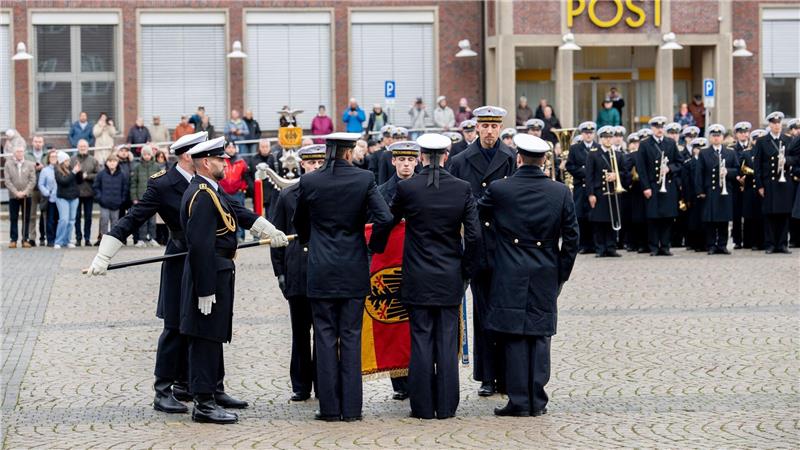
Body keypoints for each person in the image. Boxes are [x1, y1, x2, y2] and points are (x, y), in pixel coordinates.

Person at [179, 136, 289, 424]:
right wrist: (204, 289)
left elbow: (237, 212)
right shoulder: (202, 195)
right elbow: (200, 245)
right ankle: (203, 403)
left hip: (219, 270)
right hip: (209, 274)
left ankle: (214, 390)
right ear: (206, 162)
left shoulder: (212, 190)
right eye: (220, 160)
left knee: (215, 334)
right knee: (205, 337)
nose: (225, 164)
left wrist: (265, 228)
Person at [371, 133, 479, 420]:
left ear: (420, 157)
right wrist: (466, 270)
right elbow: (475, 235)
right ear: (446, 155)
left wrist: (376, 249)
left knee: (419, 341)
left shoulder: (408, 189)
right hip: (449, 277)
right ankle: (445, 407)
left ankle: (421, 407)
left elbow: (386, 221)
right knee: (445, 341)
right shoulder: (462, 188)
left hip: (417, 276)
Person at [292, 132, 393, 422]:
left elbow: (299, 222)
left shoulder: (310, 181)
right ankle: (352, 409)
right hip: (353, 265)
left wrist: (313, 238)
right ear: (349, 152)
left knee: (324, 337)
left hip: (321, 266)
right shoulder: (364, 179)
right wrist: (373, 248)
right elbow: (385, 218)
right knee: (350, 336)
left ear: (327, 152)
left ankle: (329, 408)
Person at [478, 133, 578, 417]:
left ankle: (519, 400)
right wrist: (562, 273)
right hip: (546, 268)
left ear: (518, 159)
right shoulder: (560, 192)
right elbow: (572, 238)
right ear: (545, 160)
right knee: (540, 335)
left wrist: (493, 248)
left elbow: (476, 215)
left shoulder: (500, 189)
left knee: (514, 336)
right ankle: (537, 399)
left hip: (509, 269)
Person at [448, 106, 516, 397]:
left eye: (494, 126)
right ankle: (487, 376)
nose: (489, 132)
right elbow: (452, 200)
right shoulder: (461, 160)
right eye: (484, 126)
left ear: (500, 128)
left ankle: (506, 373)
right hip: (477, 244)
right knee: (484, 311)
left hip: (504, 245)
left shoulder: (512, 157)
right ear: (476, 128)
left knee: (506, 310)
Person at [270, 144, 326, 402]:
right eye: (310, 163)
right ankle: (301, 385)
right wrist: (280, 272)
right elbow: (276, 236)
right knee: (300, 333)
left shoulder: (330, 194)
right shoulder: (287, 195)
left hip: (324, 270)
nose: (315, 167)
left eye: (319, 163)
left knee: (325, 333)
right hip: (297, 272)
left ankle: (325, 382)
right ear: (302, 164)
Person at [636, 116, 683, 256]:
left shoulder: (670, 143)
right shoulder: (645, 144)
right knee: (653, 218)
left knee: (667, 218)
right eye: (657, 127)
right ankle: (654, 247)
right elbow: (641, 167)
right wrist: (645, 187)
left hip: (668, 186)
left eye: (661, 127)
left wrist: (669, 168)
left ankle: (665, 246)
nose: (659, 130)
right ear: (652, 129)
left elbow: (679, 163)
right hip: (652, 185)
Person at [693, 124, 739, 255]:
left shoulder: (730, 152)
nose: (716, 138)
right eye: (714, 136)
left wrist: (727, 171)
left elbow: (737, 170)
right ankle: (712, 245)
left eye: (718, 136)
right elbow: (699, 173)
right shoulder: (704, 153)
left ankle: (723, 245)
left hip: (725, 190)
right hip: (710, 190)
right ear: (710, 137)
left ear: (722, 137)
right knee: (711, 220)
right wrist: (700, 190)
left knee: (723, 220)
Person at [754, 111, 795, 254]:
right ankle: (770, 244)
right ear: (770, 125)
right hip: (769, 183)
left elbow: (796, 159)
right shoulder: (761, 141)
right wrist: (759, 185)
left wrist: (787, 161)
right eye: (774, 123)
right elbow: (757, 166)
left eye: (779, 123)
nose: (777, 125)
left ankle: (783, 244)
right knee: (770, 214)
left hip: (784, 183)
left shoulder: (788, 140)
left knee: (784, 214)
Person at [586, 126, 629, 257]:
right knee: (599, 221)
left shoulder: (618, 154)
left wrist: (617, 176)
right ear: (601, 139)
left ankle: (611, 247)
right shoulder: (593, 154)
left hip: (614, 191)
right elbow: (589, 176)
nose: (608, 140)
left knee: (612, 220)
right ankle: (600, 248)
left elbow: (625, 172)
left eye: (610, 137)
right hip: (599, 192)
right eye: (605, 137)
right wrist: (591, 194)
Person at [566, 121, 599, 254]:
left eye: (591, 133)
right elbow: (570, 166)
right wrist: (586, 173)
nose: (588, 135)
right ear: (582, 134)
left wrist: (590, 173)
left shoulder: (598, 147)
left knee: (594, 216)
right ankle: (584, 245)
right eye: (586, 133)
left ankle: (595, 244)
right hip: (581, 186)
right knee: (581, 216)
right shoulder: (575, 149)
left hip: (594, 187)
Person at [4, 145, 36, 248]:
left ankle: (24, 239)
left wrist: (25, 192)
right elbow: (7, 181)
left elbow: (32, 180)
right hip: (14, 196)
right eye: (17, 152)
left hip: (27, 196)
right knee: (14, 218)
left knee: (26, 217)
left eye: (21, 152)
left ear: (24, 153)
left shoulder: (30, 164)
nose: (19, 154)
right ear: (14, 153)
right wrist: (16, 192)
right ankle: (13, 240)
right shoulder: (8, 164)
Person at [130, 145, 162, 246]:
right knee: (142, 220)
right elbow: (133, 183)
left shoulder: (156, 166)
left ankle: (152, 238)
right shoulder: (137, 167)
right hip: (141, 197)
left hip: (153, 197)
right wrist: (134, 197)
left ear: (151, 155)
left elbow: (160, 182)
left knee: (152, 221)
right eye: (144, 154)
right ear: (142, 155)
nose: (146, 156)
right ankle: (141, 239)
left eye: (148, 154)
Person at [219, 141, 251, 241]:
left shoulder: (242, 162)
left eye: (233, 147)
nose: (231, 149)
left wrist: (244, 188)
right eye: (229, 147)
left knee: (240, 214)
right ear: (225, 149)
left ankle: (240, 236)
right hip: (224, 193)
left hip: (238, 193)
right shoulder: (221, 161)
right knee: (226, 216)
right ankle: (230, 236)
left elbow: (246, 177)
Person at [93, 154, 129, 240]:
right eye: (110, 161)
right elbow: (96, 187)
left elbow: (125, 188)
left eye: (114, 161)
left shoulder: (122, 174)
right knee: (104, 221)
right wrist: (99, 198)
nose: (112, 163)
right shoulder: (101, 174)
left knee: (115, 222)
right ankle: (103, 239)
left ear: (117, 163)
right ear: (106, 163)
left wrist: (121, 200)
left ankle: (112, 240)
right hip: (104, 203)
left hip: (116, 203)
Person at [71, 139, 99, 247]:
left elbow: (98, 175)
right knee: (76, 217)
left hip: (89, 193)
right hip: (75, 193)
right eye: (80, 146)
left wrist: (88, 176)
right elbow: (68, 174)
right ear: (77, 147)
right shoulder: (72, 159)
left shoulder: (93, 160)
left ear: (88, 147)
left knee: (88, 217)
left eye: (84, 146)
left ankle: (87, 239)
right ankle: (78, 238)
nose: (82, 148)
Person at [54, 151, 82, 248]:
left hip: (74, 197)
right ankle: (58, 241)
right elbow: (64, 181)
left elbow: (79, 181)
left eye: (68, 160)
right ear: (62, 161)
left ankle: (67, 241)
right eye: (66, 160)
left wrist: (79, 171)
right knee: (64, 220)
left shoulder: (71, 169)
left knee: (71, 220)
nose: (68, 162)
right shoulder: (57, 170)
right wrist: (74, 172)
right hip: (62, 198)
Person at [25, 135, 48, 246]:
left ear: (43, 143)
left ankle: (44, 237)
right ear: (32, 143)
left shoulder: (47, 154)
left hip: (44, 189)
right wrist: (33, 167)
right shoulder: (27, 155)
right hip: (32, 189)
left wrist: (44, 167)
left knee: (45, 214)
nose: (38, 143)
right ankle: (32, 238)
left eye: (40, 141)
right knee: (32, 215)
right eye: (36, 141)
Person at [38, 150, 60, 247]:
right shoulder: (45, 170)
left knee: (59, 220)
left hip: (60, 199)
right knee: (50, 220)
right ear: (48, 159)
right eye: (52, 157)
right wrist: (47, 192)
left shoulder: (61, 169)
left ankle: (58, 239)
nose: (54, 158)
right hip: (50, 199)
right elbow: (41, 184)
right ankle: (50, 239)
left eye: (55, 157)